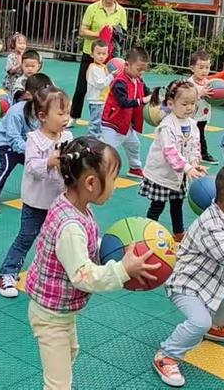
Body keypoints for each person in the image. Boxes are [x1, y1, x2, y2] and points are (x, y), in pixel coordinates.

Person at [26, 136, 160, 390]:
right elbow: (83, 276)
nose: (116, 187)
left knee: (71, 352)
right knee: (58, 383)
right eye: (113, 180)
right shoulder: (71, 227)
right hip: (50, 315)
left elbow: (87, 246)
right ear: (90, 182)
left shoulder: (74, 205)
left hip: (61, 310)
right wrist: (123, 270)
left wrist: (114, 252)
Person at [153, 163, 224, 387]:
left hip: (211, 278)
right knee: (199, 321)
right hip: (186, 284)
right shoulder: (211, 225)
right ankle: (167, 355)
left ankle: (217, 327)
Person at [0, 86, 72, 297]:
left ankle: (54, 274)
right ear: (42, 116)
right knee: (26, 237)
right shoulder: (34, 139)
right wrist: (49, 162)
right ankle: (7, 273)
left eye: (67, 112)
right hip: (37, 201)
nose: (66, 118)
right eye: (60, 113)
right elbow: (31, 167)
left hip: (60, 201)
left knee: (60, 239)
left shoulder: (67, 135)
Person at [140, 81, 206, 242]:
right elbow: (170, 153)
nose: (189, 107)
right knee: (157, 206)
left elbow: (193, 146)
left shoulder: (192, 124)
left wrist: (195, 163)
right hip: (162, 175)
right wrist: (188, 168)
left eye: (193, 103)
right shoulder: (167, 126)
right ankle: (146, 234)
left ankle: (178, 234)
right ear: (171, 103)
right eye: (184, 104)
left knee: (177, 205)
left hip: (179, 176)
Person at [0, 73, 52, 214]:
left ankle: (42, 196)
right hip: (7, 144)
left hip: (25, 145)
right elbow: (13, 137)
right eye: (42, 95)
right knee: (6, 167)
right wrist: (31, 149)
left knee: (41, 165)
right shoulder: (17, 111)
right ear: (28, 95)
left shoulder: (43, 111)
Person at [69, 0, 127, 126]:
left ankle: (109, 117)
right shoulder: (93, 8)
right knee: (82, 86)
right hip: (90, 53)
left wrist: (114, 32)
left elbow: (124, 32)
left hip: (110, 56)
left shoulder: (121, 11)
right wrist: (99, 34)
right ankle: (73, 116)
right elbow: (82, 31)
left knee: (110, 88)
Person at [101, 47, 151, 179]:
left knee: (134, 145)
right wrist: (142, 101)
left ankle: (135, 168)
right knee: (108, 150)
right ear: (127, 65)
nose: (141, 73)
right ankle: (101, 170)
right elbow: (123, 102)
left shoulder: (138, 80)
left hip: (126, 124)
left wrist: (157, 97)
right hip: (112, 123)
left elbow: (148, 92)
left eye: (143, 70)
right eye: (139, 69)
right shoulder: (120, 82)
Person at [187, 50, 218, 165]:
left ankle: (202, 154)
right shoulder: (189, 83)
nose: (204, 71)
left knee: (200, 135)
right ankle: (191, 154)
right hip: (191, 116)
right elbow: (187, 99)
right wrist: (200, 94)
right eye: (200, 67)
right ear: (192, 68)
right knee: (190, 136)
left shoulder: (209, 83)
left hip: (203, 116)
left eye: (207, 67)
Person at [86, 39, 115, 139]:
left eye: (104, 54)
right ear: (92, 54)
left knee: (101, 124)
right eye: (98, 53)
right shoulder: (94, 68)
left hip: (102, 100)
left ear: (107, 55)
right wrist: (111, 76)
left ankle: (97, 142)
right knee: (95, 124)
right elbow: (100, 83)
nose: (101, 56)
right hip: (96, 101)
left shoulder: (103, 67)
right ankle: (91, 143)